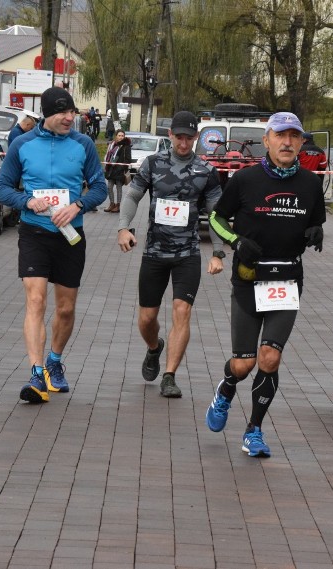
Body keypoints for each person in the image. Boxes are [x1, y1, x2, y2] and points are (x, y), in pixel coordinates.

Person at [205, 111, 326, 457]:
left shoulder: (310, 183)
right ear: (268, 139)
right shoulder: (246, 180)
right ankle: (227, 388)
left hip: (287, 280)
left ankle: (254, 430)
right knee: (243, 364)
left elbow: (317, 220)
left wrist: (317, 231)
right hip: (249, 279)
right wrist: (235, 241)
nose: (287, 142)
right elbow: (217, 217)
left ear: (302, 142)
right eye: (280, 135)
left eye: (294, 136)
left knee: (269, 358)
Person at [0, 86, 108, 403]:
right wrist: (27, 201)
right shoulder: (23, 145)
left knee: (66, 309)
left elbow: (100, 188)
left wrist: (79, 206)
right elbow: (1, 189)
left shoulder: (83, 144)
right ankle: (36, 372)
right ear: (47, 114)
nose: (70, 118)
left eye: (72, 112)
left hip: (71, 235)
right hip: (35, 233)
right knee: (36, 300)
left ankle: (54, 362)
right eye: (63, 113)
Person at [116, 111, 225, 398]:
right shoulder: (153, 164)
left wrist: (218, 252)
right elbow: (132, 195)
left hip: (187, 254)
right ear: (170, 136)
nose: (184, 143)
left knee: (182, 312)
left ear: (196, 138)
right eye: (180, 137)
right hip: (154, 253)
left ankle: (169, 375)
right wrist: (123, 228)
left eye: (190, 138)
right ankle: (154, 347)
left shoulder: (206, 171)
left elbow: (217, 215)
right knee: (147, 319)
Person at [103, 129, 131, 212]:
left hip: (120, 170)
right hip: (111, 169)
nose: (121, 137)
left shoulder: (126, 146)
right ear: (116, 136)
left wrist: (121, 168)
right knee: (109, 187)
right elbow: (108, 155)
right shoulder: (112, 145)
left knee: (119, 187)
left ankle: (118, 205)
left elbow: (128, 160)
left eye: (122, 136)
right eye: (119, 135)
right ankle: (111, 204)